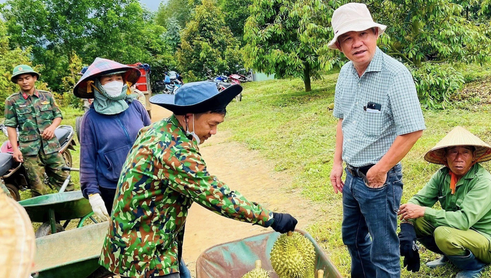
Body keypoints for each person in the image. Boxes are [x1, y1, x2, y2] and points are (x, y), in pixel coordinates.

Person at [99, 81, 298, 278]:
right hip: (144, 253)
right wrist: (271, 218)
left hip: (155, 240)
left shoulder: (162, 129)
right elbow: (217, 195)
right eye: (212, 124)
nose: (214, 132)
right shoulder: (173, 149)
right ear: (188, 117)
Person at [328, 2, 426, 277]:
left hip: (380, 181)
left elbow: (413, 130)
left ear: (375, 34)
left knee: (384, 252)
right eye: (348, 38)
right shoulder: (345, 75)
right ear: (340, 46)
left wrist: (380, 169)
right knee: (353, 239)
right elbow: (342, 121)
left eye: (363, 34)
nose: (357, 43)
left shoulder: (395, 75)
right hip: (352, 177)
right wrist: (337, 162)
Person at [398, 126, 491, 278]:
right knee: (418, 220)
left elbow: (463, 220)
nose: (458, 158)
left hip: (488, 241)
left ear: (473, 157)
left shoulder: (483, 182)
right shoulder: (443, 175)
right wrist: (407, 227)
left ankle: (473, 267)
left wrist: (424, 211)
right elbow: (418, 201)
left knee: (443, 233)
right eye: (453, 152)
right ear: (445, 156)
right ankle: (450, 256)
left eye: (465, 152)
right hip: (458, 231)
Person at [74, 58, 151, 222]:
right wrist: (93, 193)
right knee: (124, 237)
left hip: (145, 180)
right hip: (113, 188)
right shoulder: (91, 119)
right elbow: (87, 159)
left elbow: (154, 140)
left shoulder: (135, 107)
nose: (115, 83)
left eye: (118, 78)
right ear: (98, 85)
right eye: (109, 79)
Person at [4, 64, 73, 197]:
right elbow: (10, 126)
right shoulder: (12, 101)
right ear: (17, 82)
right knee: (38, 188)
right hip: (30, 151)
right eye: (20, 79)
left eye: (27, 78)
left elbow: (58, 116)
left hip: (51, 147)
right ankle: (48, 218)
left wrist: (52, 128)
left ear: (34, 78)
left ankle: (72, 211)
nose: (24, 82)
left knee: (65, 181)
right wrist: (15, 149)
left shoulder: (46, 96)